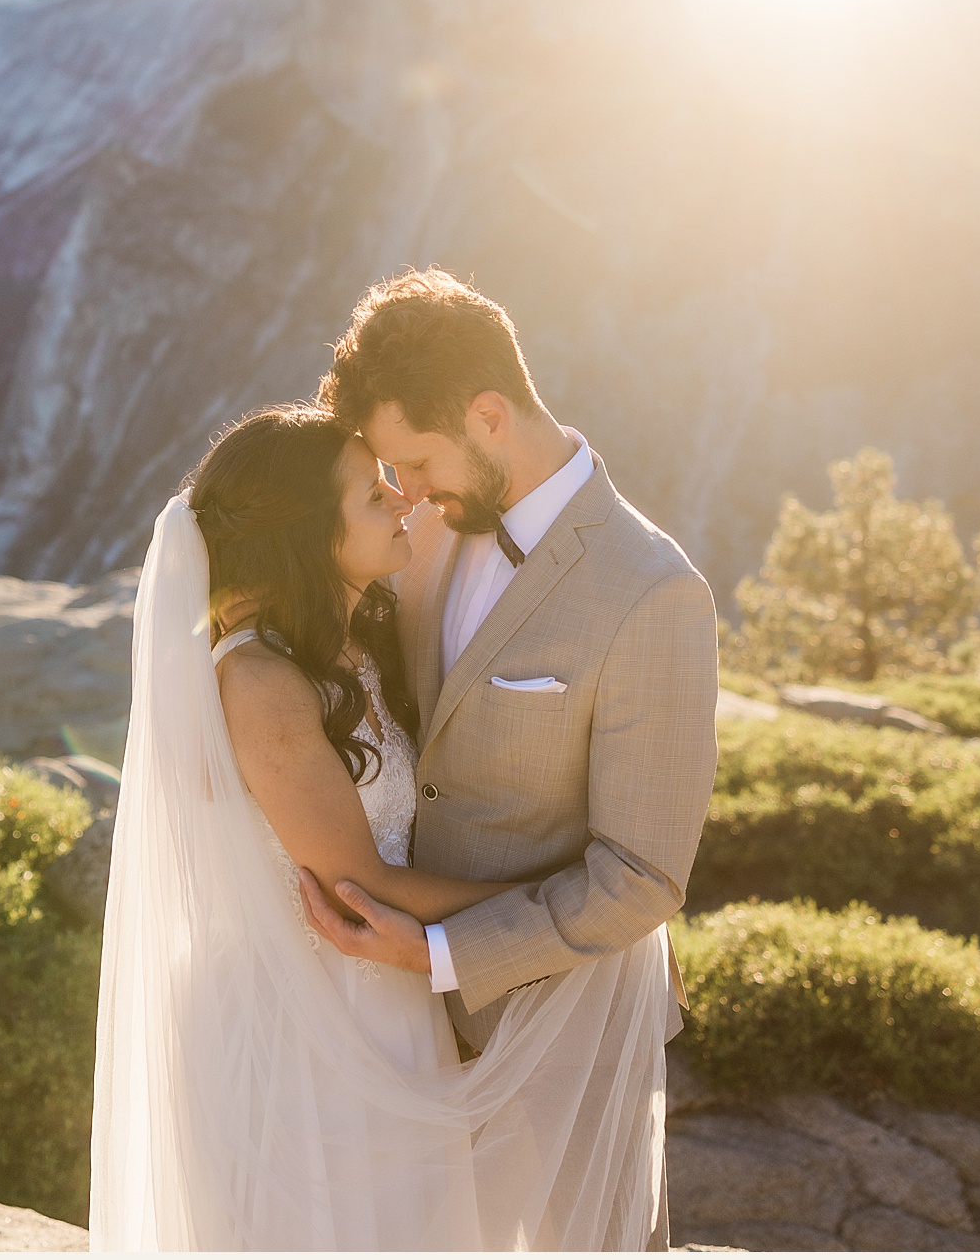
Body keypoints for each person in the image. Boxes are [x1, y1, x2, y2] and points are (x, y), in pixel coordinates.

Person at [90, 394, 694, 1249]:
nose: (403, 499)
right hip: (304, 1023)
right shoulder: (259, 681)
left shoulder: (350, 648)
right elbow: (359, 881)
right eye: (374, 495)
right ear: (311, 534)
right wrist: (594, 901)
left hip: (386, 1004)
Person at [305, 267, 720, 1251]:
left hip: (564, 1022)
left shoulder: (653, 594)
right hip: (393, 1019)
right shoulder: (425, 539)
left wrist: (440, 953)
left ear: (489, 413)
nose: (402, 491)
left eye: (415, 459)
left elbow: (643, 877)